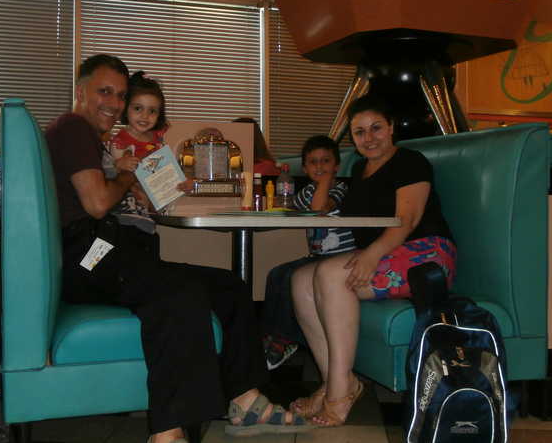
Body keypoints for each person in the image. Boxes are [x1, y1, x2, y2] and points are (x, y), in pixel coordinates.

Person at [44, 54, 311, 443]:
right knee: (179, 295)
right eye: (105, 92)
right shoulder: (73, 127)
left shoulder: (90, 138)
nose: (114, 103)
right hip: (87, 254)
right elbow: (98, 203)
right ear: (81, 91)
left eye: (120, 95)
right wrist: (127, 174)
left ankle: (246, 399)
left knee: (229, 287)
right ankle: (168, 432)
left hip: (106, 250)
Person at [289, 94, 457, 427]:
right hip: (387, 251)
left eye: (376, 128)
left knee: (331, 276)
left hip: (426, 254)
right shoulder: (359, 169)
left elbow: (407, 219)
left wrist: (371, 255)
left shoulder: (410, 161)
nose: (369, 138)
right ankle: (337, 382)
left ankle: (339, 394)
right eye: (360, 132)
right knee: (300, 279)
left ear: (391, 127)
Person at [262, 135, 355, 370]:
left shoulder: (340, 189)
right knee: (276, 274)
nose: (319, 167)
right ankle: (272, 335)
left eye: (326, 161)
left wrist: (325, 181)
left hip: (339, 259)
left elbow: (320, 207)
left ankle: (286, 340)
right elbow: (289, 209)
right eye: (313, 162)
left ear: (337, 166)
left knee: (291, 276)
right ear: (304, 168)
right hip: (317, 257)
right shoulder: (307, 191)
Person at [103, 71, 168, 224]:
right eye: (138, 108)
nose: (145, 116)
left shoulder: (158, 140)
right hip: (130, 209)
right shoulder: (120, 141)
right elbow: (109, 173)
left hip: (154, 204)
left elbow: (165, 173)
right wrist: (119, 164)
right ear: (126, 108)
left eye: (152, 111)